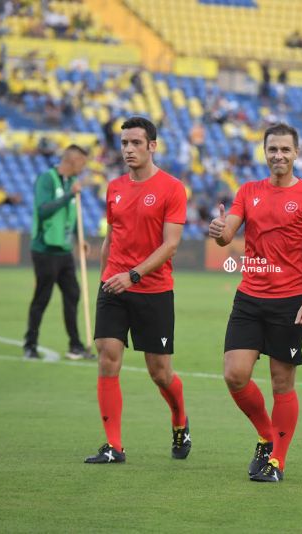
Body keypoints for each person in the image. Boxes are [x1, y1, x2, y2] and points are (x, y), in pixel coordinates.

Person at [208, 123, 302, 483]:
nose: (278, 155)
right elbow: (228, 234)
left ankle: (277, 460)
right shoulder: (248, 191)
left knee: (281, 383)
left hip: (290, 301)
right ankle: (265, 434)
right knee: (235, 374)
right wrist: (220, 231)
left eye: (285, 150)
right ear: (265, 152)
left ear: (296, 153)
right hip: (249, 296)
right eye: (272, 149)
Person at [84, 116, 191, 464]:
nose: (129, 150)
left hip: (153, 290)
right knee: (107, 357)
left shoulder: (172, 188)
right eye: (125, 143)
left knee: (160, 372)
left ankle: (179, 419)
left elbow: (170, 246)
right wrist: (105, 281)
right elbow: (111, 238)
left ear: (152, 146)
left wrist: (133, 275)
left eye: (136, 143)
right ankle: (114, 446)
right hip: (114, 285)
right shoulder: (114, 187)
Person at [23, 145, 93, 361]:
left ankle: (75, 345)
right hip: (45, 249)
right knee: (42, 298)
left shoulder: (72, 183)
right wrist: (68, 196)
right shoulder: (47, 179)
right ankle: (30, 345)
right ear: (71, 161)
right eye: (82, 162)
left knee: (72, 293)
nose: (84, 167)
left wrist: (78, 240)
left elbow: (68, 218)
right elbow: (43, 210)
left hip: (64, 250)